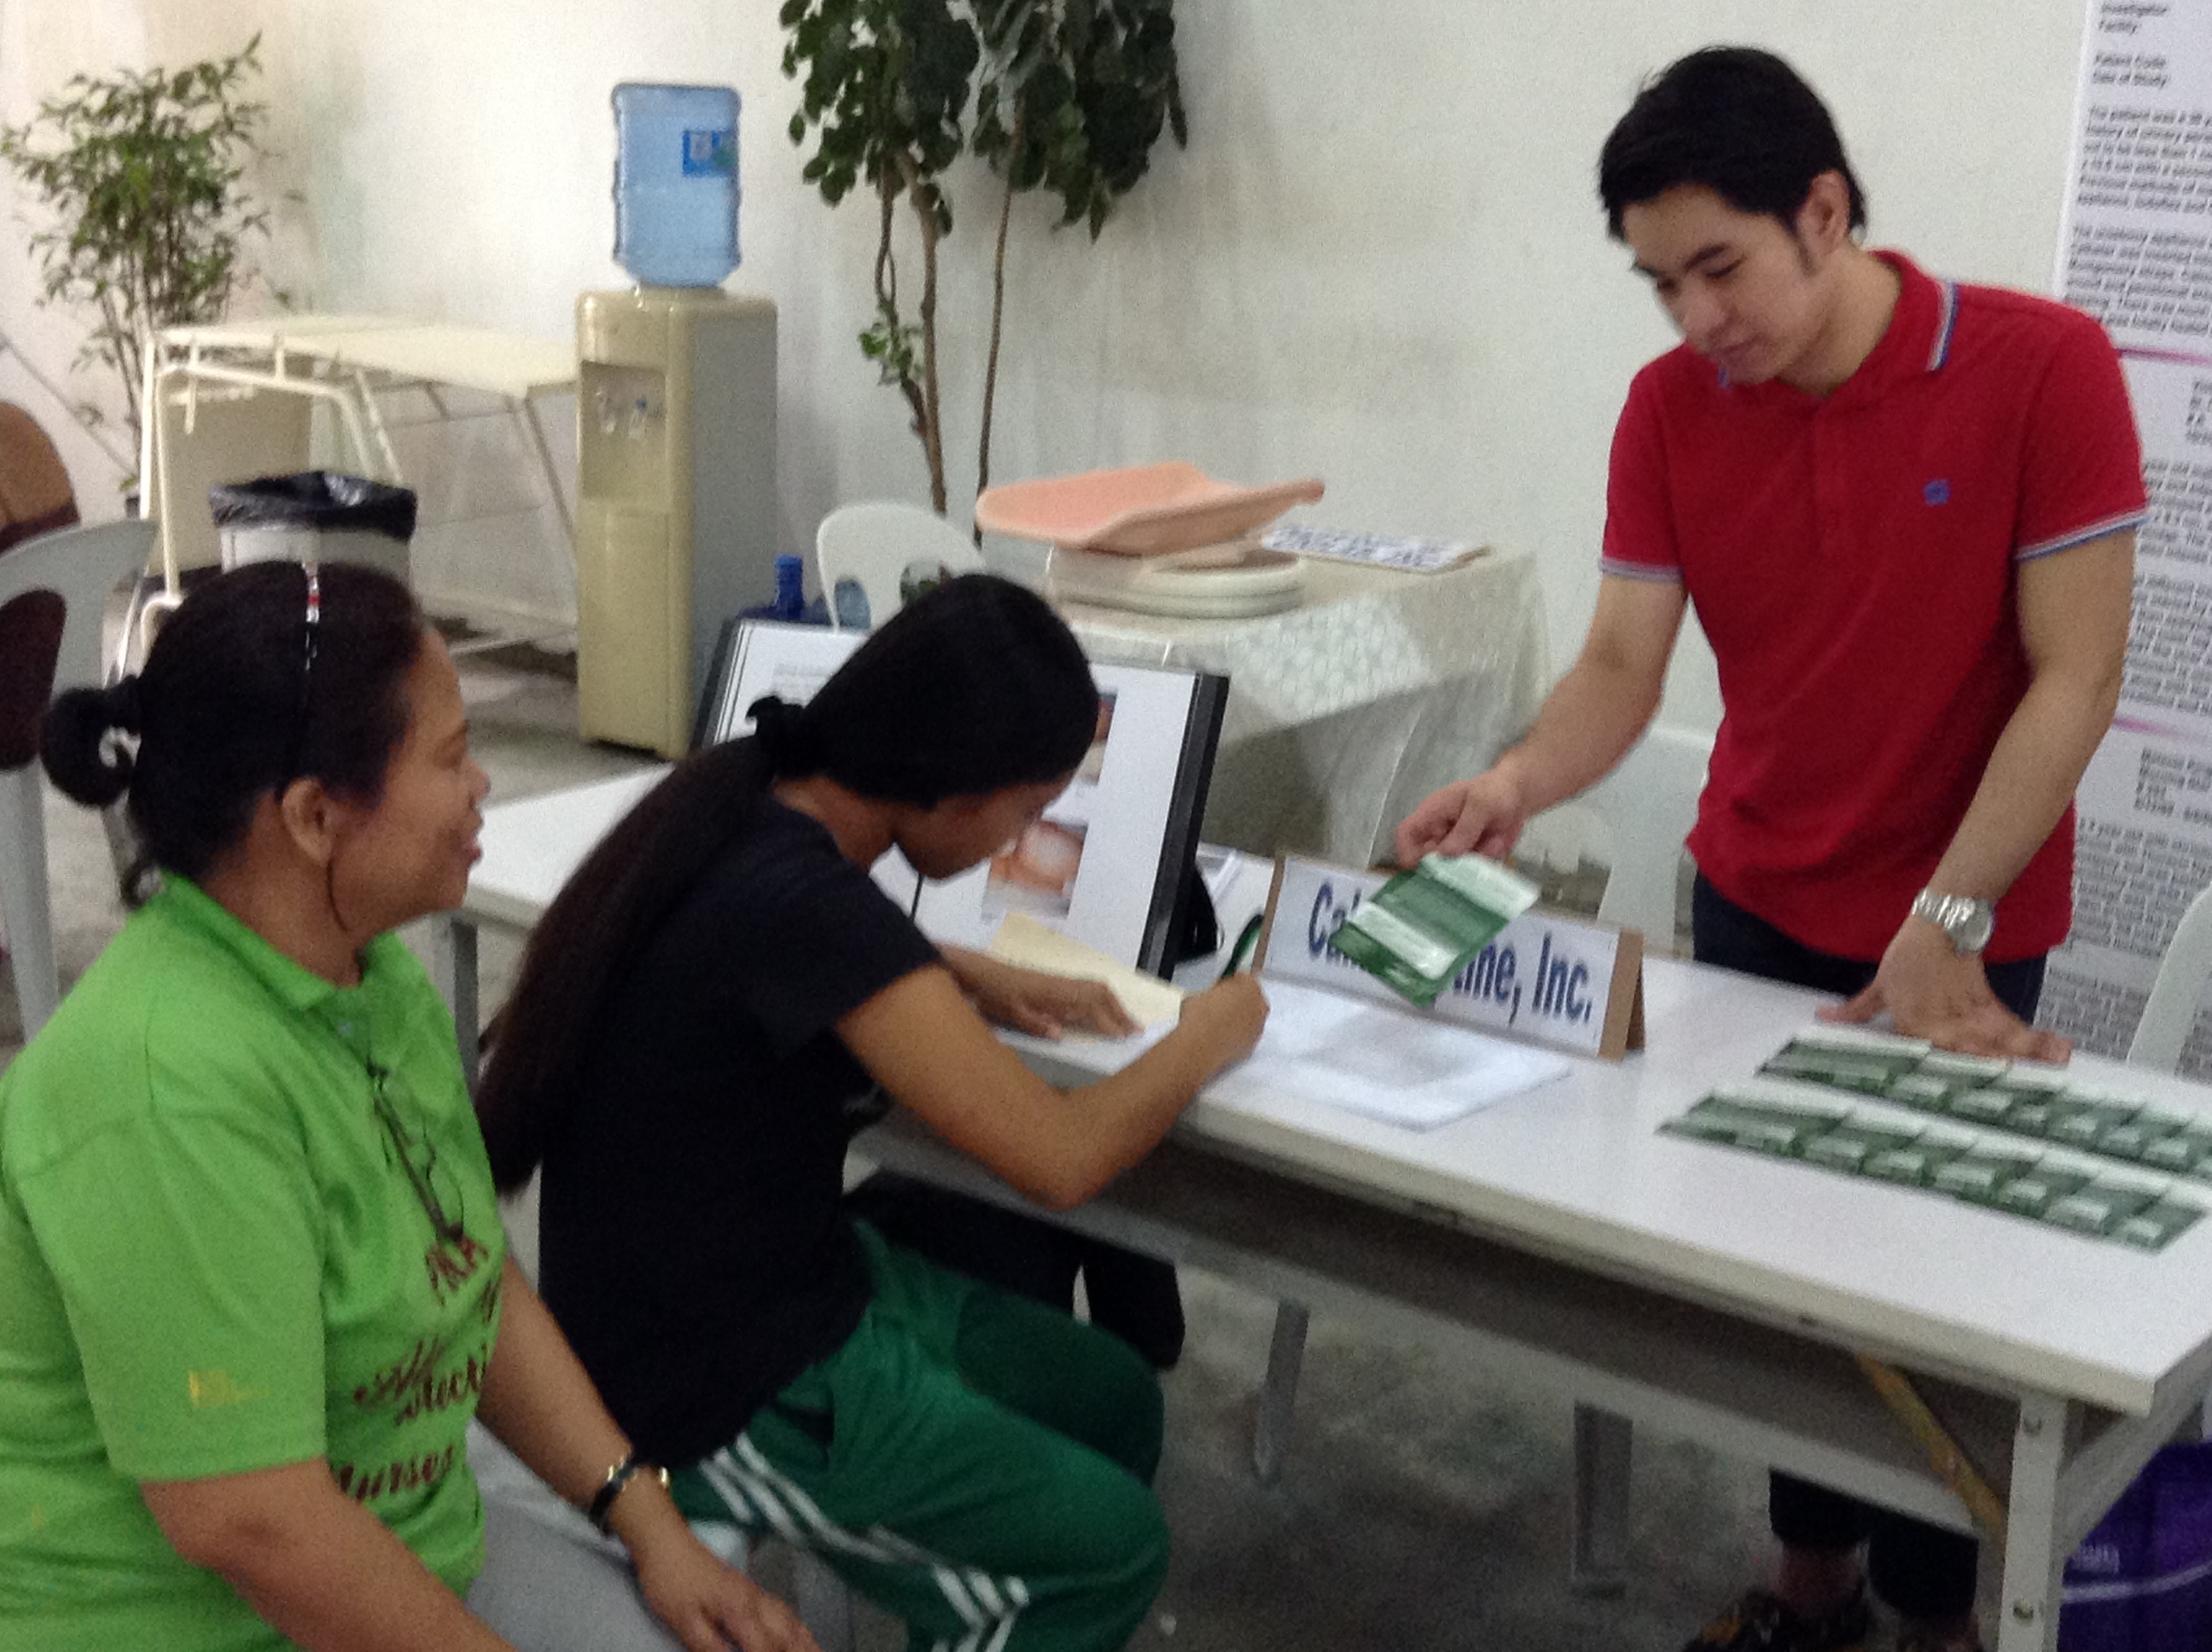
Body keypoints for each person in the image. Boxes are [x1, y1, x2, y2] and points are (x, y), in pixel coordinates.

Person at [1396, 45, 2142, 1652]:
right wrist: (1515, 781)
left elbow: (2076, 676)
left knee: (1935, 1290)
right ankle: (1813, 1589)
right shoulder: (1670, 412)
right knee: (1781, 1275)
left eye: (1718, 268)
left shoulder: (2040, 367)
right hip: (1754, 899)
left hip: (1962, 920)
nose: (1694, 318)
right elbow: (1620, 664)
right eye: (1660, 283)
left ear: (1823, 209)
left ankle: (1939, 1616)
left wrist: (1946, 916)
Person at [0, 561, 813, 1652]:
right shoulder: (166, 1088)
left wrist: (651, 1523)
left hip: (407, 1538)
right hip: (184, 1618)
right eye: (449, 757)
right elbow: (251, 1522)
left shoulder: (366, 975)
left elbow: (470, 1278)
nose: (481, 785)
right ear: (315, 815)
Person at [474, 573, 1269, 1652]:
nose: (1023, 836)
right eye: (1026, 811)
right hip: (711, 1388)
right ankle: (1008, 1602)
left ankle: (970, 1597)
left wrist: (958, 969)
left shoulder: (754, 797)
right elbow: (1062, 1158)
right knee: (1107, 1550)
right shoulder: (813, 906)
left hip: (784, 1283)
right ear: (949, 788)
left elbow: (788, 947)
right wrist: (1208, 1033)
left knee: (1113, 1398)